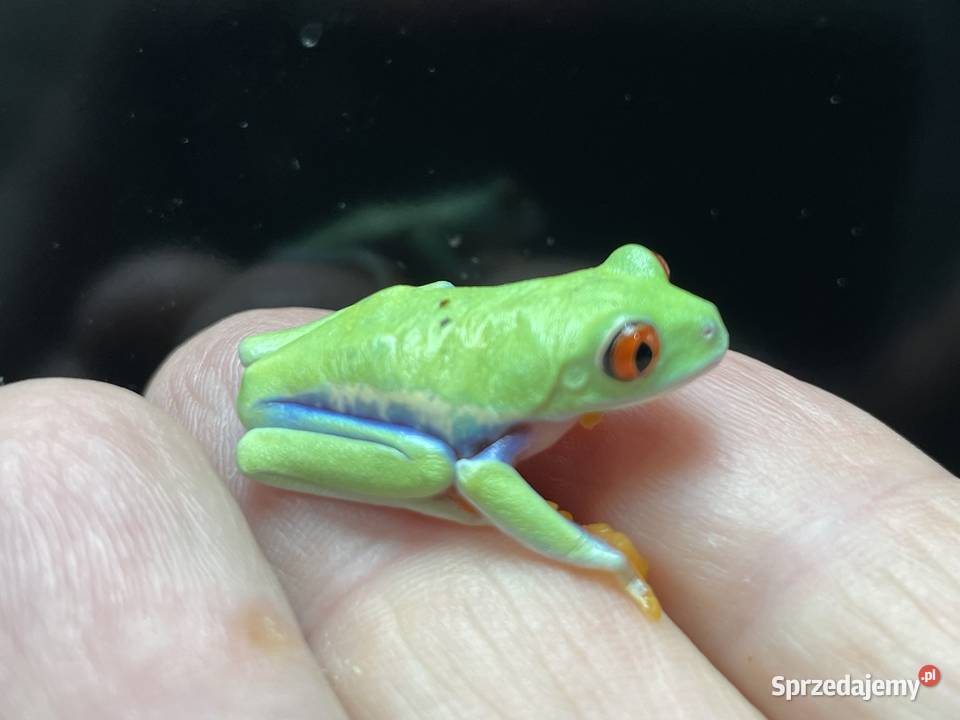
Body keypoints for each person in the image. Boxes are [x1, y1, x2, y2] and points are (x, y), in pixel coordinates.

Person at [1, 308, 956, 718]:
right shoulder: (521, 420)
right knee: (447, 463)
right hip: (317, 414)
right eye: (636, 355)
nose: (682, 334)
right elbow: (492, 477)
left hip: (331, 350)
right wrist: (592, 552)